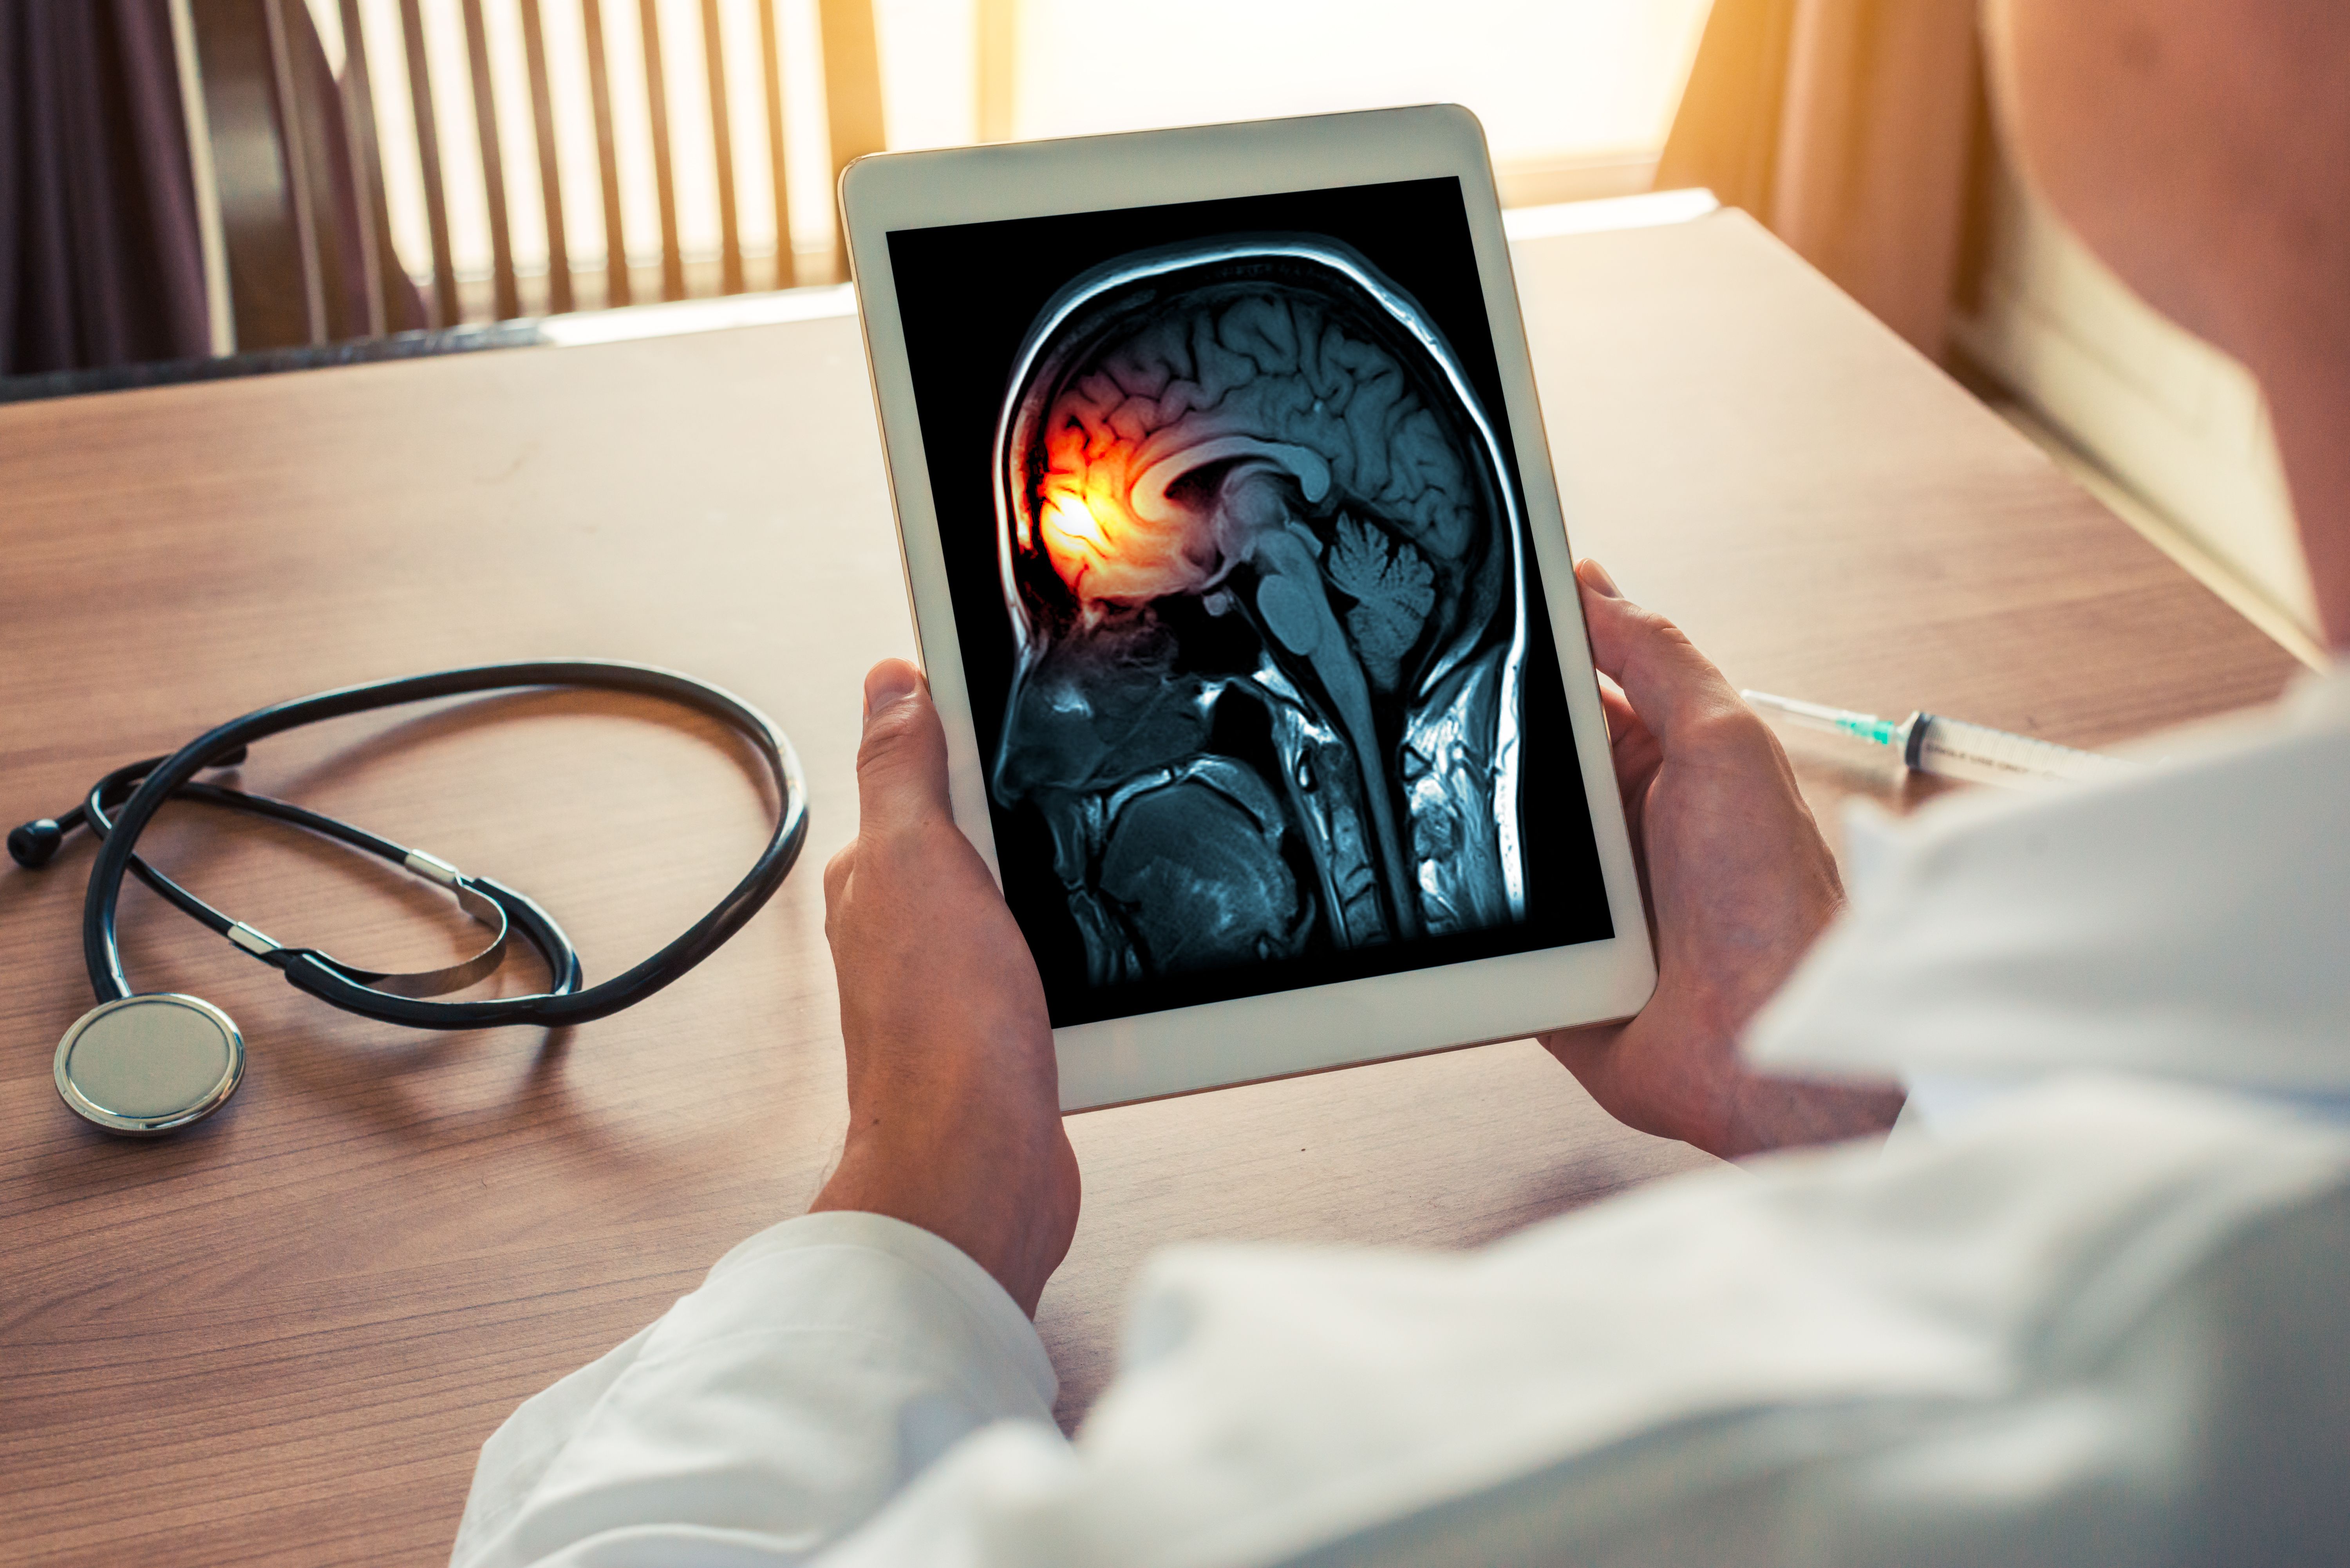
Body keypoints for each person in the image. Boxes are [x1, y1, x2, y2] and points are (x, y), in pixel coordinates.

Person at [450, 2, 2350, 1562]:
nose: (1035, 734)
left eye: (1134, 628)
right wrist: (1836, 1092)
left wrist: (918, 1214)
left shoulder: (1493, 1484)